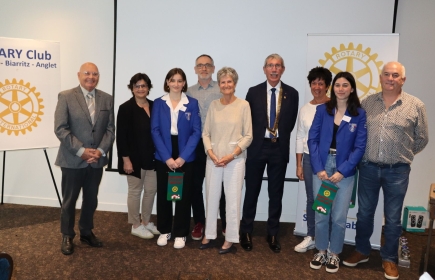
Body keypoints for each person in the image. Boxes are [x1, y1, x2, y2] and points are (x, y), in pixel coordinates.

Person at [343, 62, 429, 280]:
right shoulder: (368, 102)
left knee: (392, 217)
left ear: (403, 80)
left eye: (396, 75)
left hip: (397, 171)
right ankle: (362, 250)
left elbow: (422, 138)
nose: (390, 78)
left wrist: (403, 155)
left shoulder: (415, 105)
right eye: (387, 74)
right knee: (364, 214)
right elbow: (358, 134)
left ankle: (389, 258)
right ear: (380, 77)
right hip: (369, 167)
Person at [308, 71, 367, 273]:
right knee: (322, 213)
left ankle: (334, 254)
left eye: (345, 85)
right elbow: (312, 140)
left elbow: (360, 147)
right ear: (332, 88)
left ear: (351, 88)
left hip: (344, 171)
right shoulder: (323, 110)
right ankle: (321, 250)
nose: (341, 89)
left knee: (339, 217)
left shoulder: (358, 114)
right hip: (324, 168)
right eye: (337, 85)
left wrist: (343, 170)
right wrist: (319, 168)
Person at [240, 53, 299, 253]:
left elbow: (289, 123)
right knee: (252, 191)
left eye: (278, 66)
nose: (274, 69)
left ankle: (272, 232)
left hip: (278, 148)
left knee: (276, 193)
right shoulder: (253, 92)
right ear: (264, 69)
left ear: (283, 69)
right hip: (257, 148)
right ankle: (246, 231)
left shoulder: (292, 93)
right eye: (270, 65)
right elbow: (248, 122)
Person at [54, 62, 115, 255]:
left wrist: (100, 151)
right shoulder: (66, 96)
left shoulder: (107, 99)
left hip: (96, 160)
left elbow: (110, 129)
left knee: (91, 199)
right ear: (79, 75)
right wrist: (81, 150)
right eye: (87, 73)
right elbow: (60, 128)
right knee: (69, 200)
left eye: (95, 74)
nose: (91, 77)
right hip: (72, 159)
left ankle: (86, 232)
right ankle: (67, 235)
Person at [200, 67, 253, 254]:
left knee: (232, 201)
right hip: (213, 159)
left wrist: (232, 155)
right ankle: (209, 234)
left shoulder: (243, 105)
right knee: (211, 197)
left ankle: (230, 239)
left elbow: (248, 136)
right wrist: (211, 153)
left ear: (235, 84)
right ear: (219, 85)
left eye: (229, 81)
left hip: (235, 161)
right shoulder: (214, 105)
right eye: (223, 82)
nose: (226, 85)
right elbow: (205, 133)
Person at [151, 68, 201, 249]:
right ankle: (164, 230)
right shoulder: (158, 103)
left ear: (184, 83)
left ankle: (180, 233)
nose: (176, 84)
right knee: (165, 194)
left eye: (180, 80)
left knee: (183, 195)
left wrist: (183, 157)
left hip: (185, 153)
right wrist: (166, 158)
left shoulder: (192, 103)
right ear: (167, 82)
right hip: (164, 151)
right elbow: (154, 131)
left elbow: (196, 132)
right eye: (173, 80)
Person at [186, 54, 227, 240]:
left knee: (222, 186)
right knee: (195, 186)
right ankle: (200, 222)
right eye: (200, 66)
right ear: (195, 69)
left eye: (207, 65)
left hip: (217, 146)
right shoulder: (187, 92)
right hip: (194, 146)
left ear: (213, 68)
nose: (204, 69)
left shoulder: (223, 89)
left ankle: (226, 223)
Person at [116, 73, 160, 239]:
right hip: (134, 159)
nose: (141, 89)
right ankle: (135, 225)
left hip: (153, 158)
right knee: (135, 191)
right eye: (137, 86)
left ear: (148, 88)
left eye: (143, 86)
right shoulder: (125, 108)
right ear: (132, 88)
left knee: (151, 190)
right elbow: (121, 137)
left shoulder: (156, 105)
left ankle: (146, 222)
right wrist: (125, 160)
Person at [294, 67, 332, 253]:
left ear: (327, 86)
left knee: (325, 199)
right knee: (311, 199)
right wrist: (298, 164)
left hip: (328, 159)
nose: (317, 87)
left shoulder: (334, 107)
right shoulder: (305, 109)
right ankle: (311, 235)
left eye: (321, 83)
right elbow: (300, 136)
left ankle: (326, 238)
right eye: (314, 83)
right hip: (309, 159)